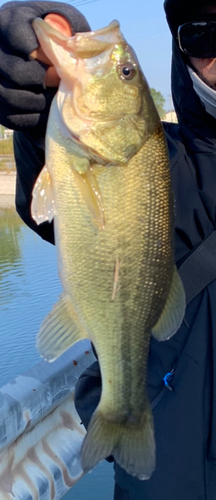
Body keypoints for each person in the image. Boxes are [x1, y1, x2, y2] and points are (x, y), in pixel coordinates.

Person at [1, 0, 216, 498]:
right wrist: (37, 102)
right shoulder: (161, 160)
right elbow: (52, 203)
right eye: (205, 35)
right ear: (181, 51)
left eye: (123, 72)